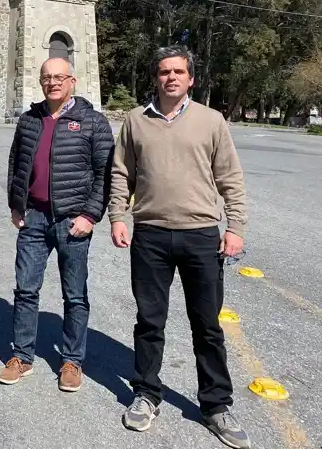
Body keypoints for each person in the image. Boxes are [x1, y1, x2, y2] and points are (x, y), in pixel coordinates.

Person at [108, 45, 251, 449]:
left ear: (191, 78)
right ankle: (146, 394)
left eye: (178, 72)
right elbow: (121, 174)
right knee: (150, 322)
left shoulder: (211, 120)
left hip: (202, 235)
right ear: (155, 77)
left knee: (206, 325)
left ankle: (216, 406)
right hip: (150, 236)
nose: (170, 77)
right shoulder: (135, 121)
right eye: (163, 71)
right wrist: (118, 216)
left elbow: (230, 178)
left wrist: (235, 226)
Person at [0, 58, 113, 392]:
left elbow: (105, 174)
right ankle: (22, 356)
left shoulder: (93, 122)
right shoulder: (30, 120)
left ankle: (72, 361)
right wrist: (15, 205)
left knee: (74, 295)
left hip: (71, 221)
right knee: (25, 290)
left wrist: (90, 216)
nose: (52, 83)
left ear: (72, 81)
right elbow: (15, 163)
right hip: (33, 217)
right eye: (46, 77)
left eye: (59, 77)